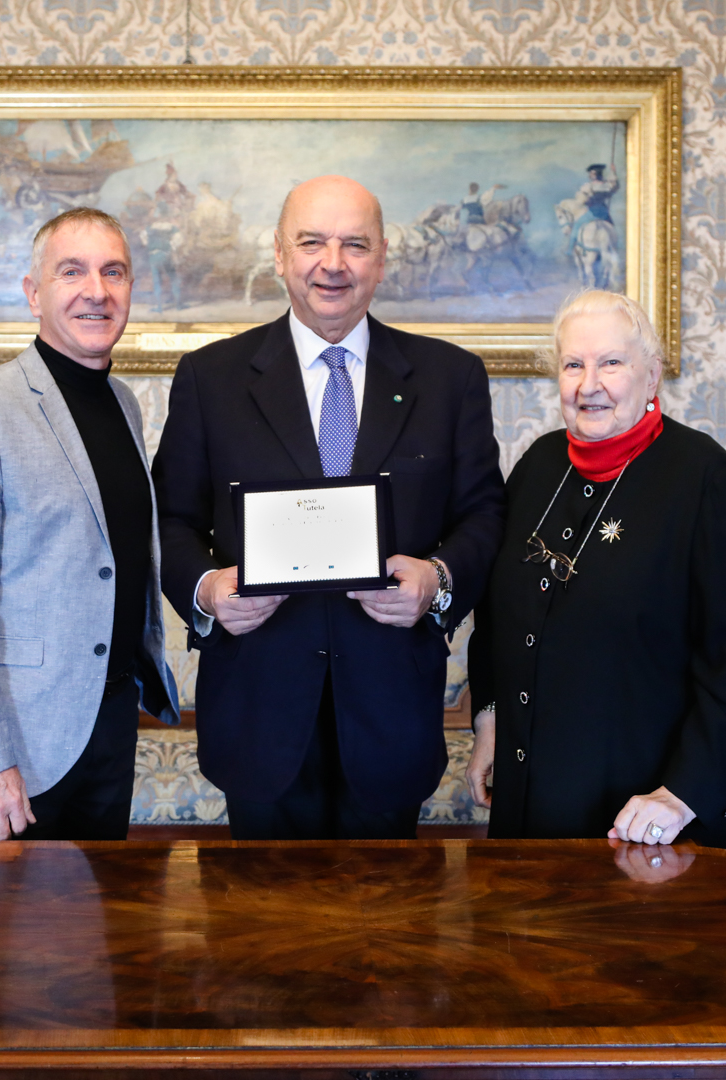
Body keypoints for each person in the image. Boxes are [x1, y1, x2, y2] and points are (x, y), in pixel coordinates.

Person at [153, 175, 506, 841]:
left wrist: (438, 579)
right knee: (254, 940)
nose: (332, 264)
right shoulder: (211, 378)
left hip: (392, 714)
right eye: (312, 242)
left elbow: (485, 514)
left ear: (382, 260)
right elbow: (168, 520)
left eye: (355, 244)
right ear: (280, 255)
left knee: (392, 937)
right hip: (259, 713)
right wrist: (207, 589)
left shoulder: (450, 378)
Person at [465, 289, 726, 855]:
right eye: (573, 364)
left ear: (652, 374)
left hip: (648, 816)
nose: (590, 385)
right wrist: (490, 718)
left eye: (611, 362)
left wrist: (681, 795)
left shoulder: (707, 481)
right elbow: (496, 616)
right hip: (533, 798)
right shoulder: (537, 466)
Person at [0, 206, 179, 855]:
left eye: (114, 272)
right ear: (34, 293)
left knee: (90, 944)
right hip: (12, 748)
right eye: (72, 271)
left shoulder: (121, 403)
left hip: (108, 721)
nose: (97, 290)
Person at [568, 164, 618, 255]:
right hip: (604, 213)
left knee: (577, 225)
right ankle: (614, 247)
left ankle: (570, 248)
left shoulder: (588, 186)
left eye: (591, 173)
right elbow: (614, 185)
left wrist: (584, 200)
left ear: (594, 175)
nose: (590, 175)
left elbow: (582, 200)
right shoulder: (607, 185)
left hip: (593, 213)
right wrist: (613, 172)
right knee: (612, 228)